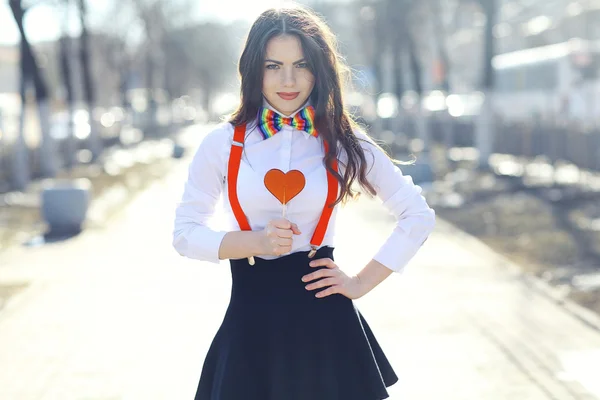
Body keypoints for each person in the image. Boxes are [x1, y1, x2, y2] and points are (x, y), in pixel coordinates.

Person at [172, 5, 436, 400]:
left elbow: (417, 215)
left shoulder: (345, 141)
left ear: (319, 68)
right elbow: (185, 233)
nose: (289, 80)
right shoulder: (222, 143)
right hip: (251, 331)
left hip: (327, 329)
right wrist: (255, 243)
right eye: (273, 66)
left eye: (301, 65)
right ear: (253, 70)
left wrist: (360, 282)